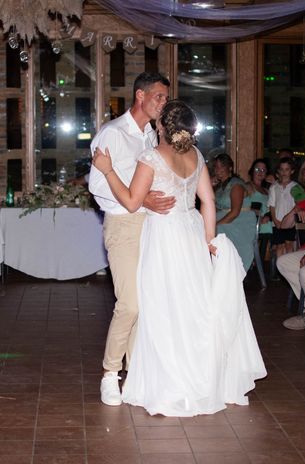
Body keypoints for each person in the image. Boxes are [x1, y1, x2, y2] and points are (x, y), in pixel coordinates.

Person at [92, 100, 266, 416]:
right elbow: (209, 201)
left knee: (162, 308)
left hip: (163, 236)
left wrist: (108, 171)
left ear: (161, 127)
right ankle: (195, 377)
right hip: (190, 232)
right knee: (190, 307)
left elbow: (132, 203)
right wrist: (209, 239)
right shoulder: (196, 156)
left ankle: (168, 379)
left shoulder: (151, 157)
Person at [88, 72, 175, 406]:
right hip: (123, 225)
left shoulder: (153, 137)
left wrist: (149, 198)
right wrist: (136, 198)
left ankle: (135, 371)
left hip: (150, 225)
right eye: (159, 97)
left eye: (166, 98)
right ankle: (110, 374)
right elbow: (97, 186)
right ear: (140, 95)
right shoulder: (112, 133)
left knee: (145, 302)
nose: (163, 104)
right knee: (130, 304)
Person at [211, 152, 257, 270]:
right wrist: (210, 186)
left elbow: (234, 212)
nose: (218, 169)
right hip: (226, 219)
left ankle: (226, 268)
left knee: (215, 230)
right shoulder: (220, 186)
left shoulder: (236, 185)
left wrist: (215, 224)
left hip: (240, 221)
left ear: (230, 168)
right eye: (216, 166)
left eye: (222, 166)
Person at [268, 157, 297, 275]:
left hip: (291, 223)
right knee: (279, 246)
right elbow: (272, 205)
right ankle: (281, 271)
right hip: (278, 222)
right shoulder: (274, 187)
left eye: (287, 169)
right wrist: (275, 220)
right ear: (278, 171)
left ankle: (289, 270)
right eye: (282, 169)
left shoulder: (295, 187)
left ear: (292, 171)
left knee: (289, 245)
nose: (284, 172)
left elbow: (298, 204)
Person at [246, 158, 272, 262]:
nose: (260, 172)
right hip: (255, 224)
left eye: (263, 170)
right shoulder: (248, 187)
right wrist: (258, 216)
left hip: (269, 223)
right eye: (257, 169)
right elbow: (243, 206)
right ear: (252, 171)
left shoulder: (268, 190)